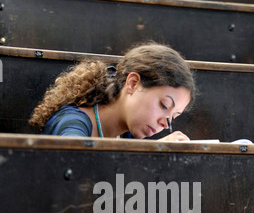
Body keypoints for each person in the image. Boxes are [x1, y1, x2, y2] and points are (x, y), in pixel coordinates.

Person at [29, 42, 196, 141]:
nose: (166, 124)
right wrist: (154, 152)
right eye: (164, 105)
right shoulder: (72, 122)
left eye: (175, 116)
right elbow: (76, 165)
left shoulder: (128, 133)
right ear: (133, 83)